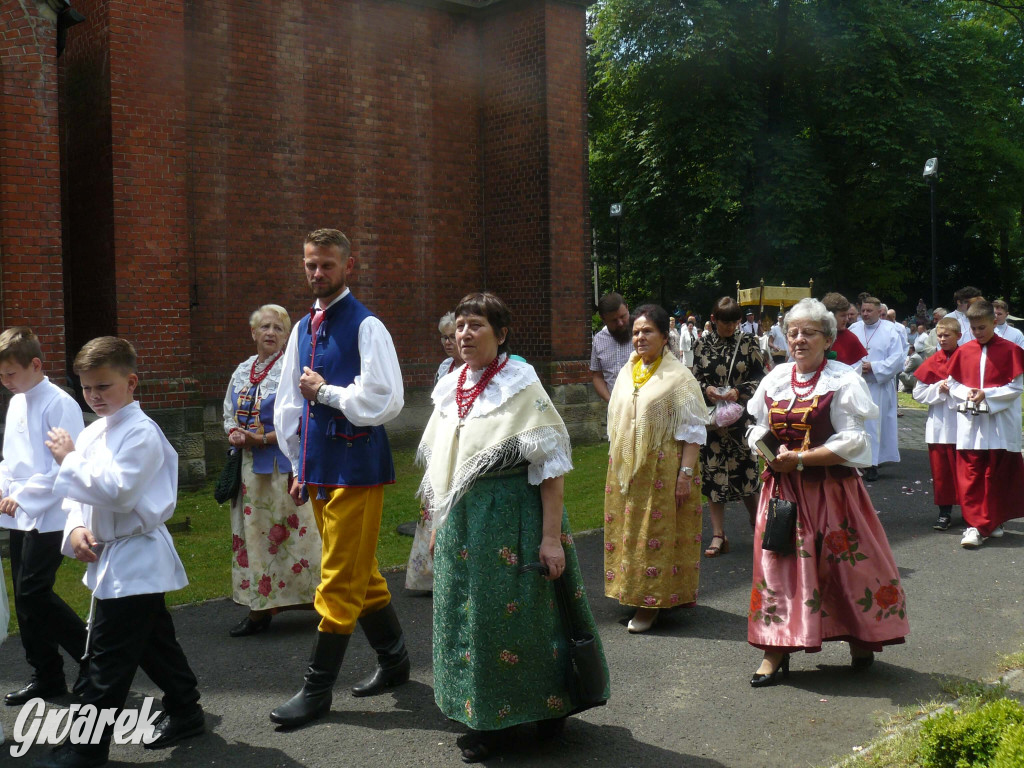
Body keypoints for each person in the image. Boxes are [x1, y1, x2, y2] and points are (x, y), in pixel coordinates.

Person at [418, 292, 608, 762]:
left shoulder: (521, 384)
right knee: (469, 618)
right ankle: (482, 713)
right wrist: (437, 522)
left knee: (518, 619)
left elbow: (552, 466)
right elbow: (444, 465)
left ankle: (536, 713)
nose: (465, 334)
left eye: (476, 325)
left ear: (501, 335)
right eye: (460, 325)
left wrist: (549, 539)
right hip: (464, 522)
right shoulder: (451, 385)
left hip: (513, 521)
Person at [42, 337, 204, 767]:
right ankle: (186, 709)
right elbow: (81, 495)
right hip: (114, 557)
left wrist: (68, 461)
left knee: (105, 660)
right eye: (87, 388)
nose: (94, 397)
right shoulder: (94, 430)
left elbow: (118, 490)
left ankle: (85, 747)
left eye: (104, 386)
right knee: (153, 642)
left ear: (131, 383)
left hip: (136, 558)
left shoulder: (141, 433)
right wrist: (76, 526)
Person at [271, 228, 408, 727]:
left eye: (327, 264)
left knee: (337, 576)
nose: (317, 273)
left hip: (357, 468)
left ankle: (316, 690)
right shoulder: (301, 328)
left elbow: (384, 401)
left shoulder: (368, 325)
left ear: (349, 266)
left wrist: (327, 391)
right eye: (311, 264)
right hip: (319, 467)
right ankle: (394, 660)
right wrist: (295, 462)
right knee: (358, 569)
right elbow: (289, 401)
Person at [746, 299, 909, 687]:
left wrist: (800, 459)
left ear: (828, 338)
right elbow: (756, 425)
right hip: (783, 493)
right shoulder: (775, 378)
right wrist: (768, 450)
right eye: (793, 332)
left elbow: (853, 440)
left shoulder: (842, 379)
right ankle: (776, 649)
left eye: (809, 332)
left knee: (846, 565)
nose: (799, 339)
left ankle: (860, 635)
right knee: (780, 566)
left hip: (831, 490)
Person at [603, 304, 707, 633]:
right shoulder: (627, 371)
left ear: (665, 336)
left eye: (647, 331)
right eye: (635, 332)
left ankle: (652, 603)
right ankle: (633, 591)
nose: (639, 337)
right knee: (630, 531)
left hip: (664, 470)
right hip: (628, 468)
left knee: (654, 533)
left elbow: (693, 432)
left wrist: (685, 476)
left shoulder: (679, 378)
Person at [0, 327, 87, 706]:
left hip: (50, 511)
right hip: (19, 511)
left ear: (36, 364)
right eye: (0, 376)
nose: (5, 382)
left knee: (34, 591)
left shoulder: (59, 402)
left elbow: (65, 465)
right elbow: (11, 457)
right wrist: (4, 489)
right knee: (25, 596)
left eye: (10, 374)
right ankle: (47, 674)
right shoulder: (18, 400)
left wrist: (21, 495)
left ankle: (92, 656)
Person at [222, 305, 321, 637]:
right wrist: (234, 433)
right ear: (253, 333)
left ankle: (325, 601)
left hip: (284, 469)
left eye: (278, 328)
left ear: (287, 336)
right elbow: (228, 414)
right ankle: (260, 609)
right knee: (255, 538)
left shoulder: (293, 371)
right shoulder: (242, 370)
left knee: (295, 536)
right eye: (264, 327)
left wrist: (262, 437)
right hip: (250, 473)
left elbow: (301, 421)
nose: (270, 333)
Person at [692, 297, 767, 556]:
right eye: (725, 323)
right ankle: (718, 535)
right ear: (714, 320)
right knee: (713, 477)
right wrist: (708, 389)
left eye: (734, 323)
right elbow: (695, 379)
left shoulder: (748, 343)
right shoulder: (701, 344)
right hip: (713, 422)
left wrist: (739, 390)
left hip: (741, 421)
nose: (730, 328)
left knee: (746, 475)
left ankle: (759, 526)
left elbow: (761, 378)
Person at [947, 300, 1024, 549]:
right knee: (972, 472)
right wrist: (969, 393)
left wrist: (986, 395)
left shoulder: (1011, 350)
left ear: (994, 321)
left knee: (997, 474)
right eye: (974, 328)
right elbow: (953, 384)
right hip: (972, 422)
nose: (978, 333)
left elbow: (1016, 387)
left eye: (982, 327)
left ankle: (993, 521)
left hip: (1000, 422)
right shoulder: (964, 351)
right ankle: (975, 525)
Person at [405, 311, 464, 593]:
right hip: (441, 438)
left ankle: (456, 574)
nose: (448, 342)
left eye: (452, 336)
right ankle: (429, 576)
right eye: (444, 337)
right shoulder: (444, 368)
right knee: (433, 504)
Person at [912, 316, 962, 531]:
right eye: (939, 336)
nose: (942, 339)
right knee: (942, 472)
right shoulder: (932, 362)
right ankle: (944, 513)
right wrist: (938, 389)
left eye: (946, 336)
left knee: (967, 471)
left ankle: (971, 512)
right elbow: (917, 393)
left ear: (958, 336)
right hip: (940, 423)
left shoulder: (968, 357)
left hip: (964, 422)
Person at [848, 297, 902, 481]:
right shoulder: (853, 329)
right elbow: (846, 355)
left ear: (879, 312)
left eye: (869, 311)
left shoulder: (891, 331)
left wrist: (874, 367)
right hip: (857, 384)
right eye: (863, 310)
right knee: (857, 424)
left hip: (879, 386)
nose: (865, 314)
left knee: (875, 425)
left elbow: (897, 359)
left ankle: (873, 463)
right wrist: (858, 368)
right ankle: (856, 461)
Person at [590, 292, 632, 404]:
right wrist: (610, 401)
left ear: (627, 308)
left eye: (623, 316)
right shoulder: (599, 340)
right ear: (603, 319)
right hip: (615, 409)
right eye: (614, 320)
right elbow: (597, 376)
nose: (620, 323)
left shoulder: (642, 334)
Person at [822, 293, 867, 367]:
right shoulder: (816, 335)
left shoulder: (850, 338)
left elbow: (857, 369)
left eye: (847, 315)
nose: (847, 319)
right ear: (830, 316)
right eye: (843, 316)